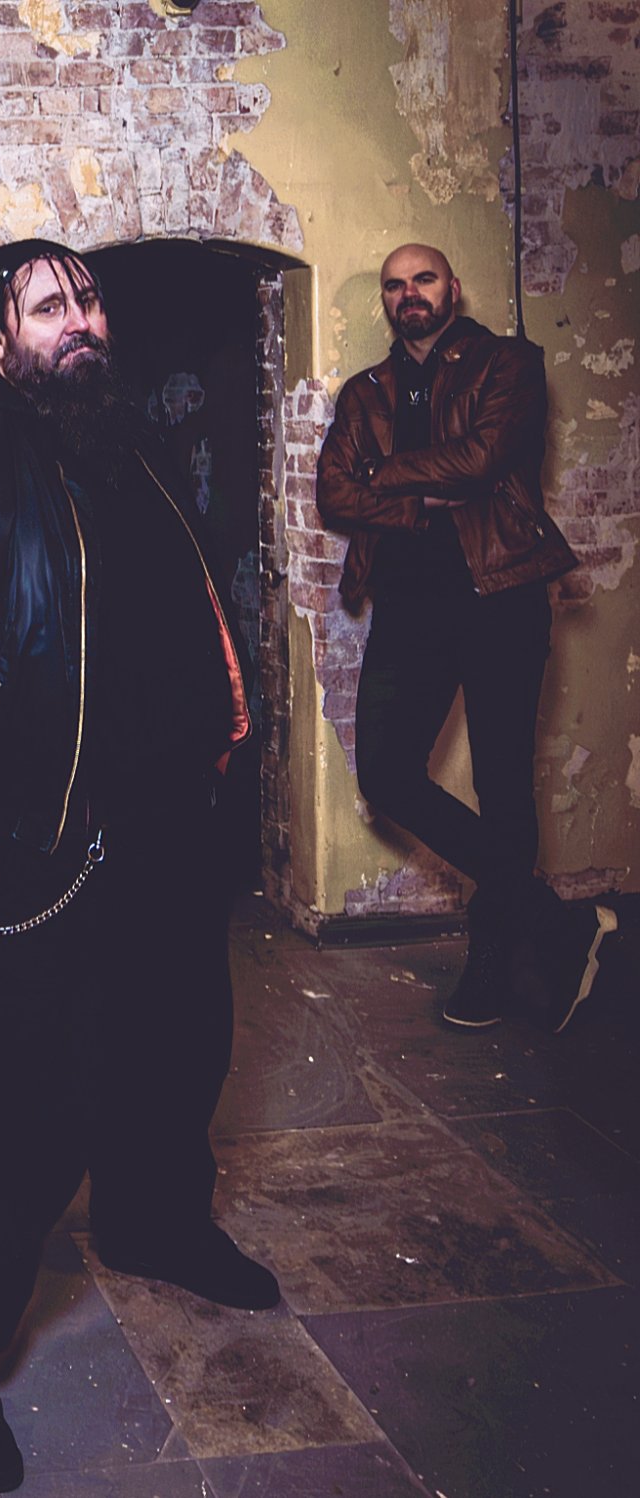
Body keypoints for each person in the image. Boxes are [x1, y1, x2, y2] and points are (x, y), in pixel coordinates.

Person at [0, 239, 272, 1493]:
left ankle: (153, 1221)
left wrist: (217, 737)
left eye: (86, 299)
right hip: (29, 838)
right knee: (2, 1109)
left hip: (161, 828)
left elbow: (183, 606)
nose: (79, 320)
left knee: (174, 1044)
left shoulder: (126, 441)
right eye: (47, 307)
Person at [317, 242, 615, 1032]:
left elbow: (482, 461)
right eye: (394, 286)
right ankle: (553, 917)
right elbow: (335, 494)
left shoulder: (508, 364)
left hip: (500, 596)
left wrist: (386, 474)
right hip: (408, 606)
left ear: (452, 287)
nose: (408, 294)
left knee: (503, 785)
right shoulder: (366, 392)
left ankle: (493, 963)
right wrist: (426, 493)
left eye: (422, 279)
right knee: (386, 774)